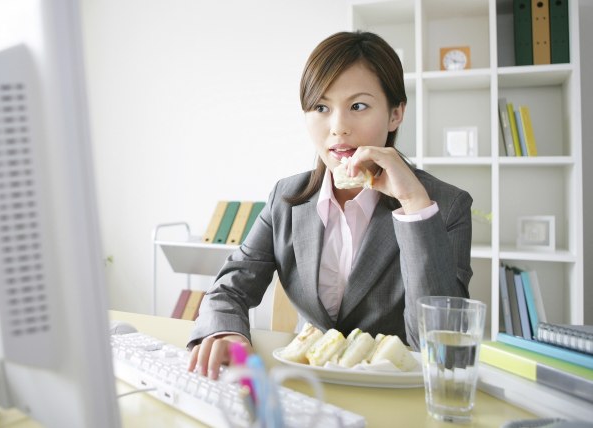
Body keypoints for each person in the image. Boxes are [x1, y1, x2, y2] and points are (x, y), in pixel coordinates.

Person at [187, 31, 472, 380]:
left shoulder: (444, 205)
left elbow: (439, 347)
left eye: (358, 106)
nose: (338, 128)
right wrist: (225, 331)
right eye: (321, 107)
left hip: (396, 393)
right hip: (310, 387)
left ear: (396, 114)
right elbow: (229, 288)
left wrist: (413, 205)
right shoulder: (287, 198)